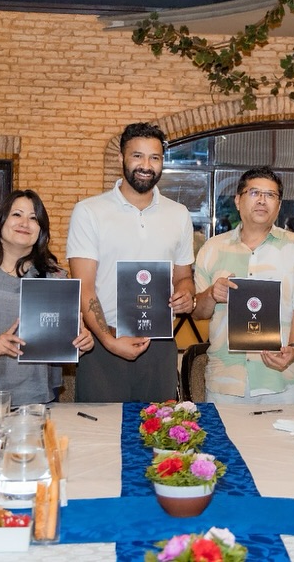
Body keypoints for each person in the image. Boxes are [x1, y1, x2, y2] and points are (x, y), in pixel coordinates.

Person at [66, 123, 196, 402]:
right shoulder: (89, 211)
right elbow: (83, 287)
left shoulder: (179, 214)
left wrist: (186, 294)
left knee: (161, 427)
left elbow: (184, 276)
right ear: (121, 158)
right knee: (101, 428)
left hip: (160, 346)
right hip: (103, 344)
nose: (146, 165)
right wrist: (108, 340)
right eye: (137, 156)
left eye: (154, 157)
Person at [0, 189, 93, 405]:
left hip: (38, 398)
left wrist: (78, 344)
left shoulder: (55, 277)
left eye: (34, 218)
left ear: (40, 231)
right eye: (17, 214)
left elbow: (60, 344)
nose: (25, 223)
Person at [193, 167, 294, 404]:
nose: (262, 200)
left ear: (279, 205)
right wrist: (211, 294)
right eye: (254, 193)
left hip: (281, 379)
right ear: (238, 200)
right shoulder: (212, 248)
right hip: (226, 379)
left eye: (270, 195)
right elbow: (198, 312)